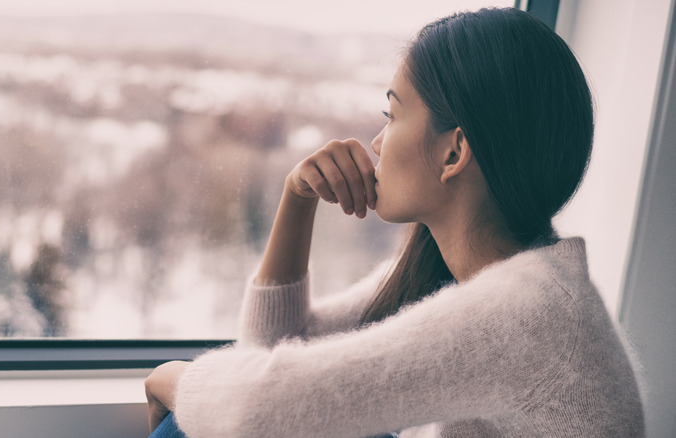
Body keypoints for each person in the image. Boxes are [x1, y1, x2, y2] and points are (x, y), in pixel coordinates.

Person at [144, 7, 645, 437]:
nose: (378, 143)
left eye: (392, 115)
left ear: (454, 151)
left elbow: (253, 411)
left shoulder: (527, 312)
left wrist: (172, 379)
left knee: (195, 422)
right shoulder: (464, 271)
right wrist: (296, 200)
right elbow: (274, 350)